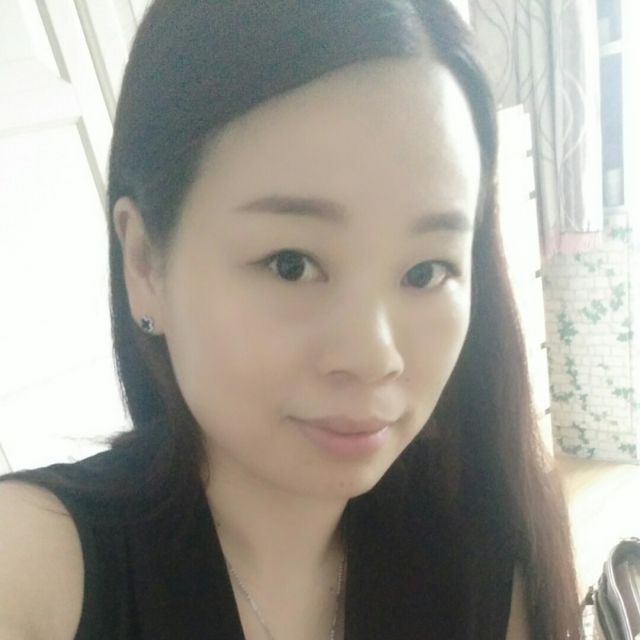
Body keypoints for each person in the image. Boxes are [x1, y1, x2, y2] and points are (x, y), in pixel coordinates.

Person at [0, 1, 582, 638]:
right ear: (145, 264)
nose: (374, 356)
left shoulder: (483, 555)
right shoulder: (35, 564)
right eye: (291, 264)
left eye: (425, 272)